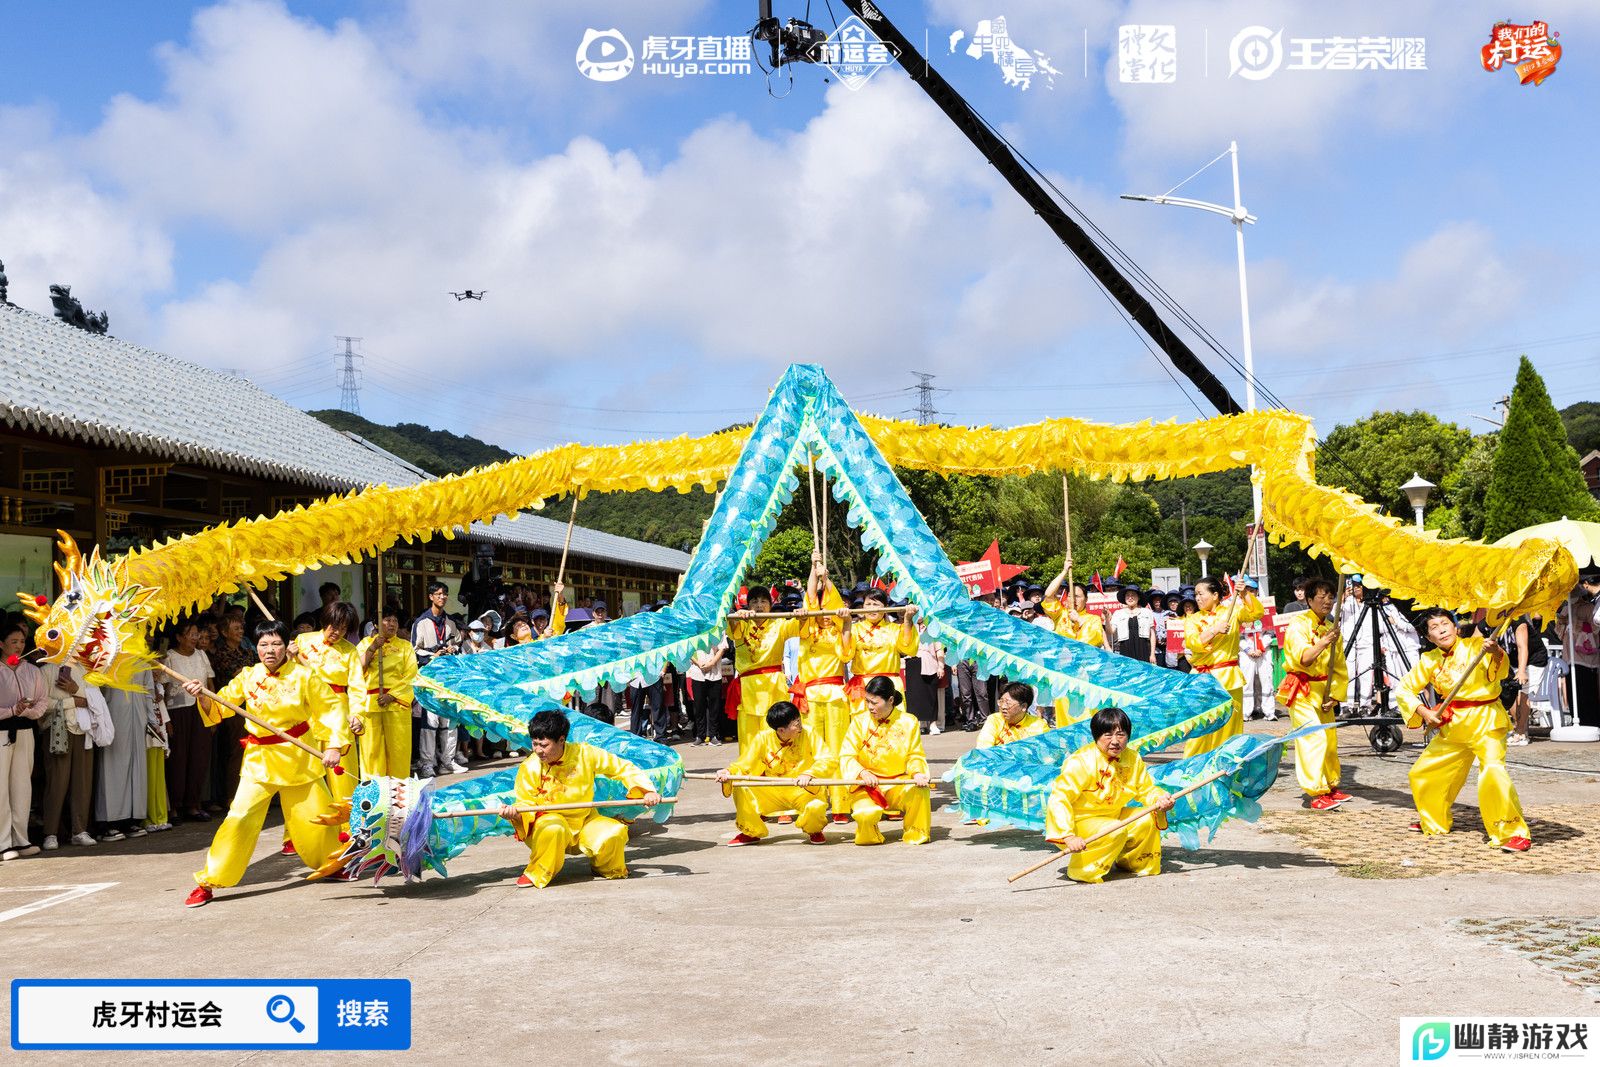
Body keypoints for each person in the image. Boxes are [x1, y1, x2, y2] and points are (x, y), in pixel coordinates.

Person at [182, 620, 350, 907]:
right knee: (239, 818)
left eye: (275, 644)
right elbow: (221, 704)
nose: (269, 650)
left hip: (299, 757)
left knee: (317, 817)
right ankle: (210, 880)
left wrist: (334, 745)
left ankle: (333, 865)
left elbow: (331, 709)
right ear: (256, 647)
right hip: (259, 762)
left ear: (286, 646)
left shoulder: (304, 677)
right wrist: (203, 695)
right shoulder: (248, 676)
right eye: (263, 644)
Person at [1393, 609, 1531, 852]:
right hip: (1454, 724)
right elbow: (1404, 689)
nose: (1442, 629)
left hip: (1485, 720)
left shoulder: (1477, 645)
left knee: (1492, 772)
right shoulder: (1429, 660)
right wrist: (1425, 713)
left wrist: (1495, 652)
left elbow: (1499, 671)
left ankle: (1511, 831)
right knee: (1423, 772)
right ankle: (1435, 820)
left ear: (1455, 626)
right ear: (1428, 637)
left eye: (1445, 624)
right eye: (1434, 627)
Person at [497, 709, 661, 888]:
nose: (538, 750)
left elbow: (622, 768)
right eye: (535, 744)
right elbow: (525, 802)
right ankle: (538, 870)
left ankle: (605, 867)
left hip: (585, 820)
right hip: (548, 825)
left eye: (543, 745)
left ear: (561, 740)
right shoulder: (529, 768)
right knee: (554, 827)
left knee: (613, 832)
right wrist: (516, 814)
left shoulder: (585, 754)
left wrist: (646, 791)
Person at [1043, 706, 1174, 884]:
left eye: (1120, 735)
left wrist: (1159, 799)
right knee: (1115, 828)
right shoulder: (1081, 761)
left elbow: (1146, 789)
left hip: (1113, 816)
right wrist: (1068, 835)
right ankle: (1082, 870)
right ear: (1096, 736)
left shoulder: (1133, 758)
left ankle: (1133, 863)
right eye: (1108, 735)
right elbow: (1060, 798)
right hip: (1080, 822)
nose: (1115, 741)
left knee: (1147, 817)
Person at [1276, 579, 1351, 811]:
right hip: (1302, 690)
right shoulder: (1298, 623)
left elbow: (1339, 666)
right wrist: (1324, 642)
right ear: (1309, 600)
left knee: (1329, 740)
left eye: (1330, 597)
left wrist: (1336, 694)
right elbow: (1304, 659)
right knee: (1313, 738)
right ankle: (1315, 791)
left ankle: (1330, 785)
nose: (1327, 601)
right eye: (1321, 597)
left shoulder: (1331, 627)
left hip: (1323, 691)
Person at [716, 700, 831, 845]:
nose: (800, 726)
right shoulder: (763, 738)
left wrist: (810, 773)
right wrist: (728, 771)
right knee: (740, 785)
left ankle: (814, 829)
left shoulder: (809, 733)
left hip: (804, 790)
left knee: (816, 806)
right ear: (781, 730)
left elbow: (827, 759)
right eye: (796, 724)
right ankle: (751, 831)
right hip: (773, 790)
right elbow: (744, 764)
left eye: (799, 720)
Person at [839, 675, 931, 846]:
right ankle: (869, 833)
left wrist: (917, 772)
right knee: (865, 814)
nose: (869, 707)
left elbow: (914, 754)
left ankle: (915, 833)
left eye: (874, 703)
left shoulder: (909, 721)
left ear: (890, 700)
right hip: (867, 785)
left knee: (920, 791)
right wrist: (862, 772)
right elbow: (846, 755)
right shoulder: (859, 722)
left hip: (897, 783)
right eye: (867, 701)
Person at [1181, 575, 1265, 760]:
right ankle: (1193, 767)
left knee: (1230, 727)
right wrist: (1213, 629)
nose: (1197, 598)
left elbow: (1256, 613)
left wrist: (1244, 593)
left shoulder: (1232, 612)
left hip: (1228, 677)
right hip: (1203, 679)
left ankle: (1226, 765)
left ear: (1216, 595)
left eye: (1201, 594)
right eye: (1195, 595)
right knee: (1200, 725)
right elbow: (1193, 643)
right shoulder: (1192, 619)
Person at [292, 602, 360, 817]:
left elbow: (358, 687)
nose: (337, 632)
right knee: (303, 770)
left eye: (344, 628)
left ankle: (349, 828)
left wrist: (357, 715)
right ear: (325, 622)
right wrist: (290, 656)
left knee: (342, 773)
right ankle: (297, 831)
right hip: (307, 708)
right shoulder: (303, 641)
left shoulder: (350, 651)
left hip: (337, 711)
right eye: (334, 626)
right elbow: (288, 674)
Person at [727, 587, 800, 754]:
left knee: (777, 729)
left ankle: (779, 771)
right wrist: (735, 618)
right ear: (748, 605)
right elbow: (733, 631)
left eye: (763, 601)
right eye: (754, 601)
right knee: (749, 735)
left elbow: (801, 625)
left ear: (771, 604)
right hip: (748, 687)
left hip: (774, 685)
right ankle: (750, 774)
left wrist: (803, 613)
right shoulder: (742, 623)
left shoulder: (780, 623)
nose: (759, 605)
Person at [352, 605, 419, 780]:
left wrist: (392, 696)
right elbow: (356, 670)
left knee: (399, 750)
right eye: (387, 620)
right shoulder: (365, 644)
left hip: (397, 703)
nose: (392, 624)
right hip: (371, 703)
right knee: (372, 752)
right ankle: (374, 794)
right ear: (376, 623)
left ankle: (399, 793)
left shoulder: (405, 646)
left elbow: (411, 674)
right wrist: (373, 648)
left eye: (395, 620)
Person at [40, 662, 102, 848]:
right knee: (57, 782)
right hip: (57, 729)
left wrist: (76, 689)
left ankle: (80, 830)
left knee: (82, 782)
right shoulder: (47, 670)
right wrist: (72, 701)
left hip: (83, 729)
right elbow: (41, 704)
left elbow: (97, 700)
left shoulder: (86, 669)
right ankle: (50, 833)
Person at [160, 619, 215, 823]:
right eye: (191, 634)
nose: (195, 638)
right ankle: (175, 807)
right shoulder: (170, 657)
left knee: (198, 758)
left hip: (201, 710)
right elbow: (163, 691)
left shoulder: (202, 655)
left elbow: (210, 683)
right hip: (177, 712)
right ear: (179, 637)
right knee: (178, 759)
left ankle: (193, 805)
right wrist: (166, 720)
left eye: (197, 634)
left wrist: (213, 713)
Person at [1, 624, 48, 859]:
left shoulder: (32, 671)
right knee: (1, 788)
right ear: (1, 644)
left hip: (25, 731)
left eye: (21, 642)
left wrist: (26, 711)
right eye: (13, 642)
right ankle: (3, 843)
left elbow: (42, 702)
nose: (19, 646)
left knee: (22, 785)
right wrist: (12, 709)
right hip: (1, 732)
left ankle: (21, 839)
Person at [412, 581, 462, 776]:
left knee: (449, 720)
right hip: (430, 679)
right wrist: (432, 655)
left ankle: (448, 760)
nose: (442, 597)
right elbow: (413, 652)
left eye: (445, 594)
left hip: (448, 679)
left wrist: (452, 650)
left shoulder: (450, 622)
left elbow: (458, 642)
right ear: (431, 597)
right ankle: (427, 762)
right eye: (438, 594)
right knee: (429, 722)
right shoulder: (421, 622)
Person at [1504, 614, 1547, 746]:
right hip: (1513, 660)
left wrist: (1522, 671)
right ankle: (1519, 727)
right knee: (1509, 693)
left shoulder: (1517, 619)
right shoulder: (1490, 622)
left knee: (1523, 693)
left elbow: (1523, 647)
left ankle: (1521, 733)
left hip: (1534, 658)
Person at [976, 682, 1048, 748]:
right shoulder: (995, 719)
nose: (1003, 707)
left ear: (1023, 707)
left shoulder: (1039, 726)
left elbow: (1045, 755)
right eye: (1001, 701)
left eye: (1008, 703)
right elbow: (983, 748)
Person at [688, 637, 729, 747]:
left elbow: (722, 648)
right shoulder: (694, 628)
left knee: (714, 706)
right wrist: (698, 663)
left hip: (715, 673)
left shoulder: (717, 627)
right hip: (697, 672)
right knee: (699, 706)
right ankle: (700, 736)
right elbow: (688, 650)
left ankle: (713, 735)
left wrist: (712, 663)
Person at [1043, 583, 1108, 648]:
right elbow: (1048, 595)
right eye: (1070, 596)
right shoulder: (1060, 613)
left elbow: (1093, 640)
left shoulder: (1094, 619)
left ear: (1086, 599)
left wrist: (1079, 620)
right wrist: (1064, 572)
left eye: (1077, 596)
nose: (1073, 600)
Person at [1239, 614, 1276, 721]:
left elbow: (1270, 632)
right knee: (1247, 682)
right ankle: (1246, 712)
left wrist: (1261, 647)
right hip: (1246, 652)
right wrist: (1247, 649)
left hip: (1264, 651)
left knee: (1267, 681)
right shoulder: (1239, 611)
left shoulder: (1265, 608)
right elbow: (1237, 635)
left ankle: (1269, 712)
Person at [1108, 587, 1156, 664]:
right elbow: (1111, 631)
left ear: (1138, 597)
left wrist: (1152, 654)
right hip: (1125, 648)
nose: (1130, 598)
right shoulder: (1118, 613)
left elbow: (1152, 634)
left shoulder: (1147, 612)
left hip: (1143, 648)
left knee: (1143, 673)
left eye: (1133, 595)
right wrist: (1107, 618)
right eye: (1127, 595)